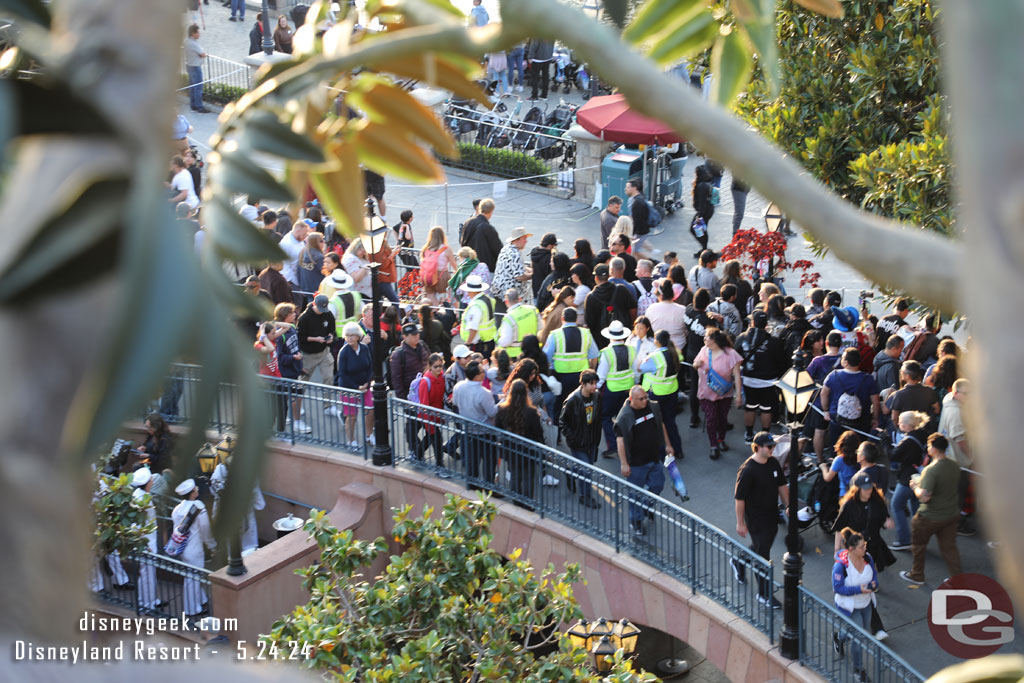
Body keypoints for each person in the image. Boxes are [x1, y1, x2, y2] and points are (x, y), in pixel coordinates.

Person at [732, 432, 787, 608]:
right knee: (763, 556)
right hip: (755, 519)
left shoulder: (773, 463)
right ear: (758, 447)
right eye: (769, 446)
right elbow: (740, 499)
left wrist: (788, 507)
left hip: (772, 515)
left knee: (761, 546)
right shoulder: (748, 470)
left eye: (773, 446)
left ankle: (738, 560)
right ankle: (764, 594)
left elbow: (782, 486)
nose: (772, 449)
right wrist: (740, 523)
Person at [900, 434, 963, 586]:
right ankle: (958, 579)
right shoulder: (954, 465)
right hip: (951, 515)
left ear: (934, 449)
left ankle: (917, 575)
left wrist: (915, 487)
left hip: (929, 517)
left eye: (929, 445)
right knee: (950, 549)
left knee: (919, 546)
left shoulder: (931, 470)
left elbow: (924, 497)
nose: (928, 448)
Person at [615, 385, 673, 536]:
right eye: (641, 399)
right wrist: (624, 463)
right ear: (631, 399)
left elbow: (661, 425)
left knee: (658, 485)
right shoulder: (625, 417)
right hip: (636, 464)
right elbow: (620, 441)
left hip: (653, 458)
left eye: (646, 397)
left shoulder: (653, 407)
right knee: (635, 494)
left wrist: (668, 445)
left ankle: (646, 506)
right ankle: (636, 522)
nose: (645, 401)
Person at [831, 528, 879, 683]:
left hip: (865, 604)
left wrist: (873, 585)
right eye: (862, 547)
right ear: (851, 549)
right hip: (849, 607)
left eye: (865, 545)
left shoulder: (868, 558)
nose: (865, 548)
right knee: (858, 637)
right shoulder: (840, 567)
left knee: (860, 631)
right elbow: (837, 588)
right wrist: (859, 589)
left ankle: (839, 637)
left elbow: (875, 577)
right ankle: (858, 669)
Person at [692, 327, 744, 459]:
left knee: (722, 419)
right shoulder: (704, 350)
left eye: (707, 337)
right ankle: (713, 445)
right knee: (711, 418)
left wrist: (738, 396)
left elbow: (737, 375)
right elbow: (694, 364)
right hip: (706, 393)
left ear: (714, 340)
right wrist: (697, 364)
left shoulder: (730, 354)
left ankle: (721, 439)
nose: (704, 339)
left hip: (724, 394)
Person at [544, 307, 599, 422]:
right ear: (576, 319)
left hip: (560, 376)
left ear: (562, 318)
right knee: (581, 406)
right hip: (581, 376)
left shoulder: (555, 334)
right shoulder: (586, 333)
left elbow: (546, 357)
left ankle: (558, 436)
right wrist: (591, 371)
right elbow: (594, 355)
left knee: (559, 406)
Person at [496, 378, 545, 506]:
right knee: (528, 477)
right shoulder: (532, 412)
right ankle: (528, 503)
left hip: (510, 449)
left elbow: (498, 429)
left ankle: (516, 502)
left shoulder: (502, 409)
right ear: (526, 393)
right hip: (528, 450)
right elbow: (538, 433)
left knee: (515, 476)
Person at [171, 479, 215, 619]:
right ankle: (191, 609)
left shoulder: (177, 509)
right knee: (192, 579)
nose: (197, 490)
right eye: (195, 489)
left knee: (191, 576)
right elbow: (205, 530)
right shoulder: (199, 508)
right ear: (192, 494)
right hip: (195, 549)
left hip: (183, 548)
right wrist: (212, 545)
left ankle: (201, 600)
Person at [453, 361, 499, 492]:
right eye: (482, 371)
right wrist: (501, 403)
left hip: (467, 430)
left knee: (471, 461)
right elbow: (492, 412)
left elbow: (456, 402)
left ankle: (471, 486)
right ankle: (489, 488)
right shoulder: (484, 392)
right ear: (476, 376)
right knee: (489, 462)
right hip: (485, 432)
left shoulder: (459, 386)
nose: (484, 372)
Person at [559, 370, 603, 509]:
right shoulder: (573, 399)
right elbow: (562, 422)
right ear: (583, 384)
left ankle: (571, 472)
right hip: (578, 442)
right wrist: (573, 438)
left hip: (591, 440)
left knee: (586, 467)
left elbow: (598, 417)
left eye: (596, 383)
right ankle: (585, 497)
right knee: (587, 470)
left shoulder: (596, 397)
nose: (595, 386)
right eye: (591, 383)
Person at [638, 330, 684, 459]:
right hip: (671, 391)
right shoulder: (676, 353)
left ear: (656, 341)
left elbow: (641, 368)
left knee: (657, 423)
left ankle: (661, 452)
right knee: (670, 422)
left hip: (656, 394)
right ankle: (677, 449)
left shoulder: (654, 357)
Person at [937, 378, 974, 535]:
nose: (969, 396)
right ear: (956, 392)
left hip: (948, 457)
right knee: (957, 493)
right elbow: (960, 441)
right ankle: (955, 524)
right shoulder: (956, 412)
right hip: (957, 461)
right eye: (966, 394)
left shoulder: (948, 399)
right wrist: (971, 456)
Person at [820, 348, 881, 442]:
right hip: (861, 421)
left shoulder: (833, 375)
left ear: (846, 362)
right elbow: (876, 401)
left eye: (843, 358)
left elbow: (823, 394)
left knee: (837, 447)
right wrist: (875, 419)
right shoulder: (868, 379)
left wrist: (826, 410)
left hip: (837, 419)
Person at [889, 411, 930, 551]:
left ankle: (904, 539)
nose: (898, 424)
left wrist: (885, 442)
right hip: (920, 475)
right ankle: (919, 538)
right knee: (915, 507)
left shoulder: (908, 441)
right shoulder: (923, 434)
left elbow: (893, 456)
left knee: (896, 505)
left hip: (908, 477)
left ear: (906, 425)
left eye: (900, 422)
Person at [684, 288, 724, 429]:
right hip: (705, 357)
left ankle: (694, 417)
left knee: (694, 386)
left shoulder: (688, 310)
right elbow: (716, 337)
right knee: (710, 386)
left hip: (690, 353)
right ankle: (713, 416)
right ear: (707, 304)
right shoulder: (708, 322)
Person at [596, 320, 636, 458]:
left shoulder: (606, 353)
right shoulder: (631, 350)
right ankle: (628, 444)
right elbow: (636, 371)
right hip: (628, 389)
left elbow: (601, 375)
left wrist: (596, 389)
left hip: (612, 390)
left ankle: (613, 445)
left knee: (606, 417)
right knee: (625, 417)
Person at [274, 303, 309, 434]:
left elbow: (296, 347)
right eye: (292, 313)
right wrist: (293, 358)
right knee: (290, 399)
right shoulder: (279, 335)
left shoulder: (293, 328)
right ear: (285, 316)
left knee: (295, 397)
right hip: (285, 373)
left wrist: (300, 366)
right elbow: (279, 357)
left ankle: (292, 421)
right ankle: (295, 423)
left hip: (295, 370)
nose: (295, 314)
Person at [130, 468, 162, 610]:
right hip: (147, 541)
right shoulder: (144, 500)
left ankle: (148, 600)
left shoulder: (137, 494)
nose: (152, 481)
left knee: (146, 573)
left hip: (145, 540)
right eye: (150, 480)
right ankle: (148, 604)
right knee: (147, 573)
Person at [336, 323, 373, 447]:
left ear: (358, 336)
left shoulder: (364, 348)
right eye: (347, 335)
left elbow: (369, 367)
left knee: (370, 410)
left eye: (353, 335)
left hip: (364, 385)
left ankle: (369, 435)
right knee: (351, 416)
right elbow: (342, 374)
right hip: (349, 388)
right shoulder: (344, 352)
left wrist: (366, 383)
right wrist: (357, 387)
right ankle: (351, 440)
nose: (350, 338)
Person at [584, 264, 635, 348]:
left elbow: (590, 323)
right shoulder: (621, 290)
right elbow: (633, 309)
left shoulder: (591, 297)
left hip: (601, 341)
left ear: (596, 278)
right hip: (622, 335)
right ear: (609, 275)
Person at [415, 353, 447, 467]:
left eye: (440, 366)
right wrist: (429, 424)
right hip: (427, 417)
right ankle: (440, 465)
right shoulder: (425, 382)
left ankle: (417, 455)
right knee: (437, 439)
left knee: (429, 438)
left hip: (437, 415)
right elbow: (424, 406)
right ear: (429, 367)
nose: (438, 369)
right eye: (435, 366)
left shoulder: (442, 377)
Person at [296, 294, 335, 386]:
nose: (322, 311)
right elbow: (300, 337)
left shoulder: (328, 313)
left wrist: (331, 336)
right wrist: (315, 339)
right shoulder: (304, 318)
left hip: (324, 352)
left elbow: (332, 328)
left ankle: (327, 400)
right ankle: (297, 399)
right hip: (308, 355)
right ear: (314, 304)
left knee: (328, 378)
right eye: (320, 308)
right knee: (303, 382)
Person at [491, 227, 534, 305]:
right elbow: (519, 276)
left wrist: (531, 270)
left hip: (499, 291)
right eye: (524, 238)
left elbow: (518, 266)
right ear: (517, 239)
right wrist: (534, 275)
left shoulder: (507, 248)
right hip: (507, 295)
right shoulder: (515, 254)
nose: (526, 241)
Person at [497, 289, 541, 360]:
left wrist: (498, 340)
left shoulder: (509, 317)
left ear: (506, 301)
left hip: (515, 356)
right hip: (534, 351)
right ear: (519, 299)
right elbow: (541, 328)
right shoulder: (533, 310)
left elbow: (506, 341)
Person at [459, 275, 497, 356]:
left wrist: (468, 344)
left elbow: (473, 328)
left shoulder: (476, 306)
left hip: (478, 345)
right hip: (488, 341)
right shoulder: (488, 299)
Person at [461, 198, 502, 272]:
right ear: (491, 211)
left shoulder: (468, 222)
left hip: (469, 265)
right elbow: (499, 250)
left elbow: (463, 242)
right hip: (485, 269)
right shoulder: (488, 228)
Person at [645, 279, 687, 350]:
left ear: (660, 295)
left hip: (656, 349)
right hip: (678, 349)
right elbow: (686, 331)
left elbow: (647, 328)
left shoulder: (651, 308)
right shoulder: (683, 310)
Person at [821, 430, 862, 494]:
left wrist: (823, 467)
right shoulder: (861, 457)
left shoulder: (839, 460)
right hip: (858, 492)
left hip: (845, 493)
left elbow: (828, 478)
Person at [421, 226, 455, 305]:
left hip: (428, 276)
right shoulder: (446, 249)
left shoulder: (426, 248)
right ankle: (455, 311)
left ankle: (434, 311)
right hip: (442, 277)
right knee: (453, 291)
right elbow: (454, 265)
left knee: (430, 295)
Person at [183, 25, 209, 113]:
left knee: (193, 87)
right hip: (195, 67)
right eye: (197, 32)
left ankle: (193, 105)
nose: (199, 34)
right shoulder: (193, 43)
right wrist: (201, 55)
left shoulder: (186, 41)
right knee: (198, 87)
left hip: (189, 65)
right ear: (192, 33)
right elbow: (203, 54)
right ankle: (199, 107)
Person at [690, 164, 715, 255]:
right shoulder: (708, 182)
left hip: (704, 211)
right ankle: (704, 249)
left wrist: (699, 216)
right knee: (703, 230)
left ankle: (705, 249)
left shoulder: (701, 186)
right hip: (709, 210)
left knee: (694, 229)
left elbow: (702, 203)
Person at [624, 179, 653, 255]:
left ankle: (652, 261)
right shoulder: (640, 197)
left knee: (635, 252)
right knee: (639, 244)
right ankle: (652, 251)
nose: (625, 189)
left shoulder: (636, 202)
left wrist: (632, 234)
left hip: (640, 231)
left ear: (634, 188)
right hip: (642, 230)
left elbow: (636, 220)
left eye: (627, 187)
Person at [721, 259, 753, 324]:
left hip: (723, 315)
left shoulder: (721, 283)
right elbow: (750, 298)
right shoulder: (744, 284)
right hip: (741, 315)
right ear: (738, 270)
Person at [296, 231, 326, 296]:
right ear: (315, 243)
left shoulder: (302, 252)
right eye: (321, 241)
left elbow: (298, 272)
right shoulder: (319, 257)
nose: (323, 242)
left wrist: (301, 287)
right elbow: (326, 274)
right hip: (317, 291)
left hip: (305, 290)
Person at [530, 232, 559, 297]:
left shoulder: (534, 251)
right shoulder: (549, 257)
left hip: (535, 288)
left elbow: (532, 266)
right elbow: (551, 274)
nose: (553, 247)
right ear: (549, 246)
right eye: (553, 246)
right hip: (545, 289)